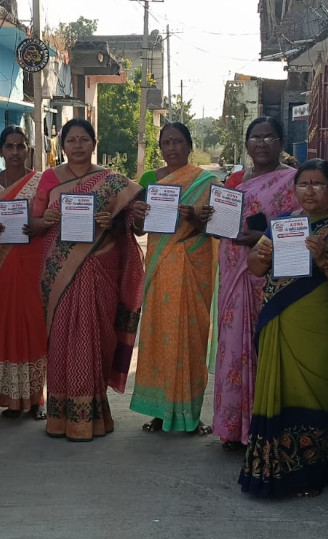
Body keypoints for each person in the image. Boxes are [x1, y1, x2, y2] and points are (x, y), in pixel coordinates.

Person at [240, 159, 328, 498]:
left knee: (317, 395)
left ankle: (311, 472)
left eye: (318, 184)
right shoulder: (283, 223)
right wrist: (262, 256)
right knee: (280, 394)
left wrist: (323, 258)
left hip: (323, 326)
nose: (310, 191)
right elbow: (255, 268)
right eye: (303, 184)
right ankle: (272, 470)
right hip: (280, 319)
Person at [34, 119, 145, 442]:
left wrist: (112, 222)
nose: (78, 145)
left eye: (84, 139)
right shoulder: (49, 178)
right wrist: (45, 219)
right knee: (61, 340)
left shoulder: (112, 181)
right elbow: (33, 224)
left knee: (95, 339)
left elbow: (135, 226)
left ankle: (93, 416)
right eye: (72, 140)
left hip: (100, 268)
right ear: (63, 145)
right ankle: (59, 419)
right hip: (58, 273)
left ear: (94, 143)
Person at [211, 116, 299, 451]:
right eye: (255, 137)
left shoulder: (293, 180)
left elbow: (301, 226)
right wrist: (211, 221)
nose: (261, 143)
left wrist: (262, 237)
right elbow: (223, 226)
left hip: (271, 277)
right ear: (247, 144)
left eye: (269, 137)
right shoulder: (236, 181)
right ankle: (233, 427)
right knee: (234, 346)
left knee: (266, 347)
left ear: (281, 143)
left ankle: (262, 427)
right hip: (234, 274)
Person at [128, 122, 220, 435]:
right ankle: (159, 412)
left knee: (191, 338)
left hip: (192, 264)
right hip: (160, 265)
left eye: (178, 141)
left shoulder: (207, 182)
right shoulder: (150, 179)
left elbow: (219, 228)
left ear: (189, 146)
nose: (171, 148)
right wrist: (138, 217)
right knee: (160, 334)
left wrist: (194, 217)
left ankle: (191, 415)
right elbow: (139, 229)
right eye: (166, 142)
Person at [0, 125, 52, 419]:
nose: (15, 152)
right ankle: (10, 397)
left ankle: (36, 398)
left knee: (33, 324)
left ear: (28, 150)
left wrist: (38, 226)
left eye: (21, 146)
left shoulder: (41, 180)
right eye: (9, 146)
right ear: (0, 150)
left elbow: (49, 218)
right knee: (4, 322)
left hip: (32, 261)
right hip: (0, 263)